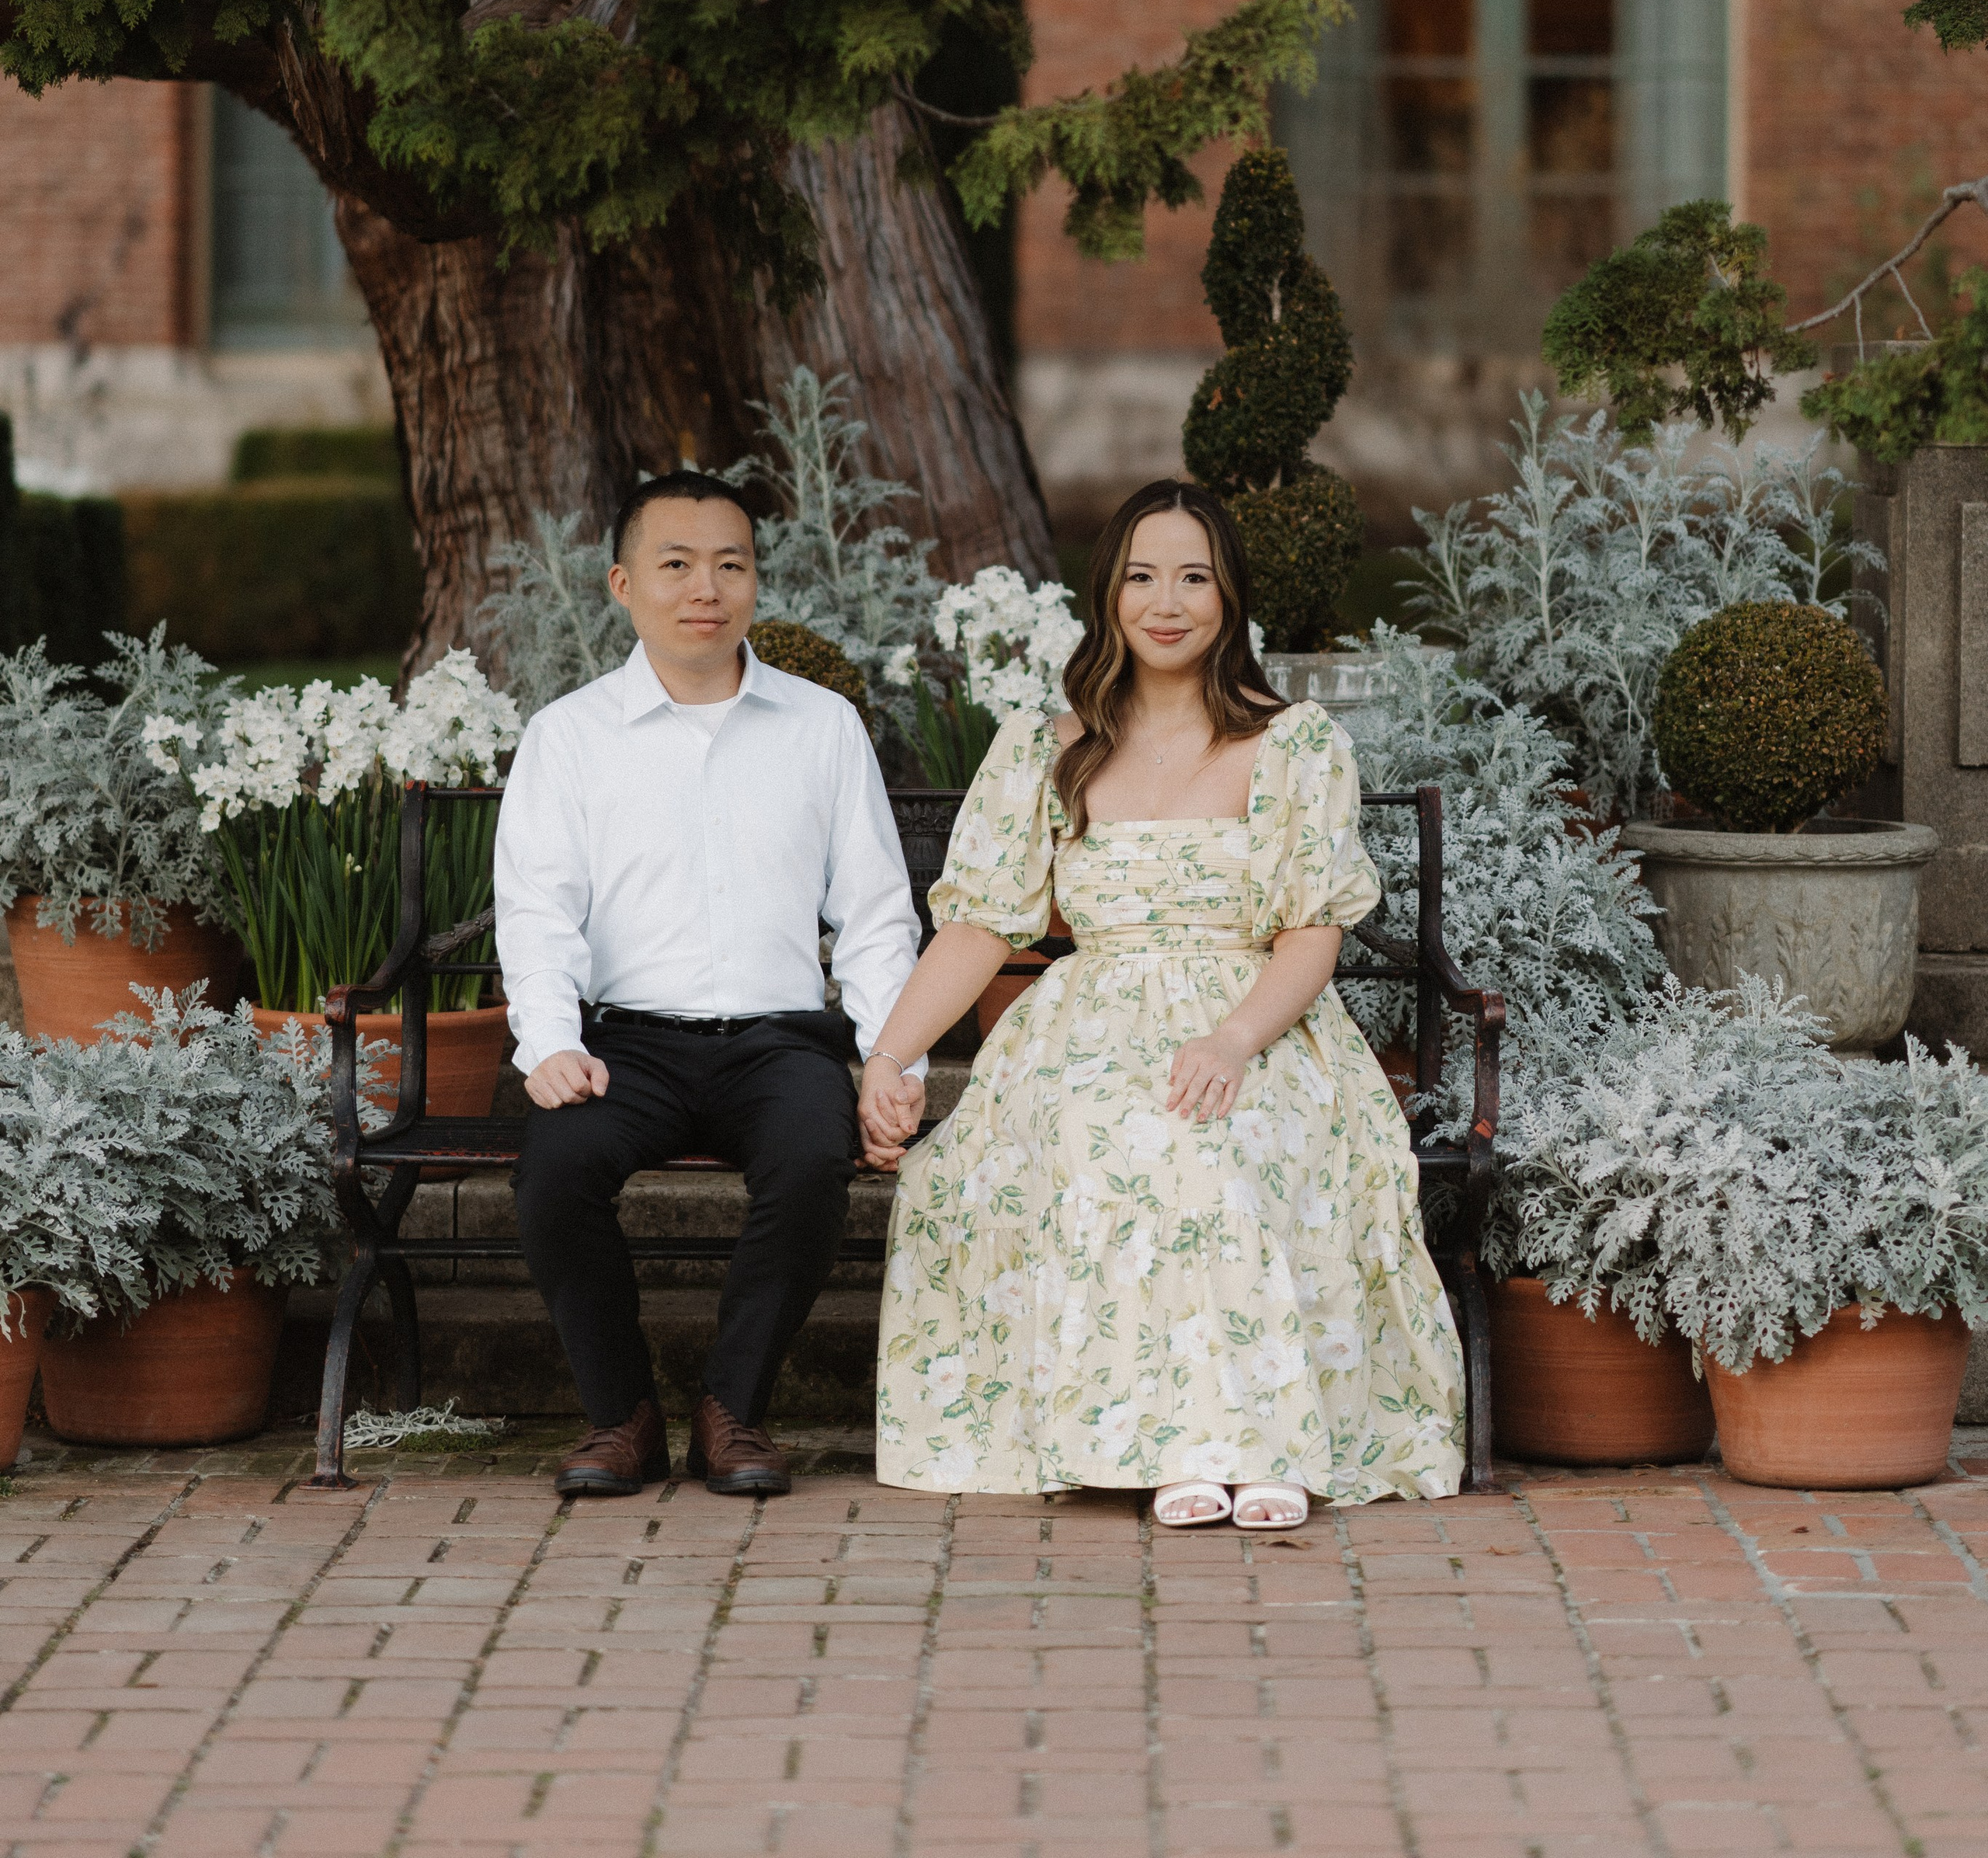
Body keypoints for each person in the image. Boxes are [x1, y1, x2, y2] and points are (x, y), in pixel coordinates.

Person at [857, 479, 1464, 1526]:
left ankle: (1263, 1443)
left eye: (1195, 576)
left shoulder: (1291, 743)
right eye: (1142, 576)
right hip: (1083, 1029)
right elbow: (979, 925)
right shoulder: (1049, 745)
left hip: (1257, 1019)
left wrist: (1232, 1040)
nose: (1167, 600)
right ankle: (1176, 1447)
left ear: (1229, 598)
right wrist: (891, 1057)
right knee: (1114, 1138)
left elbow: (1311, 931)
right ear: (1109, 596)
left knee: (1218, 1144)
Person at [495, 471, 923, 1499]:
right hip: (627, 1043)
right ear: (621, 584)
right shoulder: (570, 737)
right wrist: (550, 1042)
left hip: (780, 1042)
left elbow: (872, 913)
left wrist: (886, 1058)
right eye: (676, 564)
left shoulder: (820, 727)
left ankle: (733, 1409)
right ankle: (621, 1416)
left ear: (755, 583)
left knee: (814, 1160)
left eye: (731, 564)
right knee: (554, 1171)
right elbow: (537, 909)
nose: (706, 588)